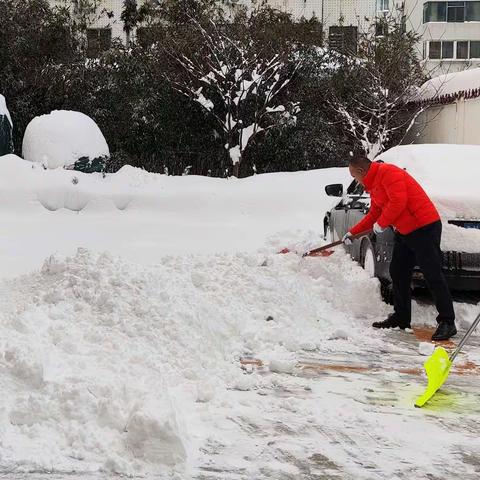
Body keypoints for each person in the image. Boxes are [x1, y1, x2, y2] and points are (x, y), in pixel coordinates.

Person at [343, 154, 457, 341]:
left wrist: (382, 223)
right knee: (398, 271)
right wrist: (352, 232)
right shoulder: (374, 185)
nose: (355, 179)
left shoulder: (388, 173)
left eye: (354, 175)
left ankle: (447, 321)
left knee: (432, 274)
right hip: (405, 230)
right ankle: (401, 316)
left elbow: (399, 201)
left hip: (424, 226)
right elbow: (375, 213)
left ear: (362, 171)